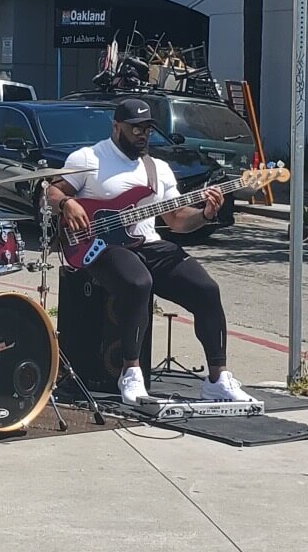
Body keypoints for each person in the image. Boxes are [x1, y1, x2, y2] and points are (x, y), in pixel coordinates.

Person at [47, 97, 255, 406]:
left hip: (147, 242)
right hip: (99, 246)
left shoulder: (157, 169)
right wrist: (68, 203)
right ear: (117, 127)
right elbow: (51, 191)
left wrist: (205, 214)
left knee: (207, 290)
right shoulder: (89, 158)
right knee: (137, 283)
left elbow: (177, 220)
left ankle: (217, 379)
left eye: (146, 129)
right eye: (135, 129)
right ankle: (131, 373)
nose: (142, 135)